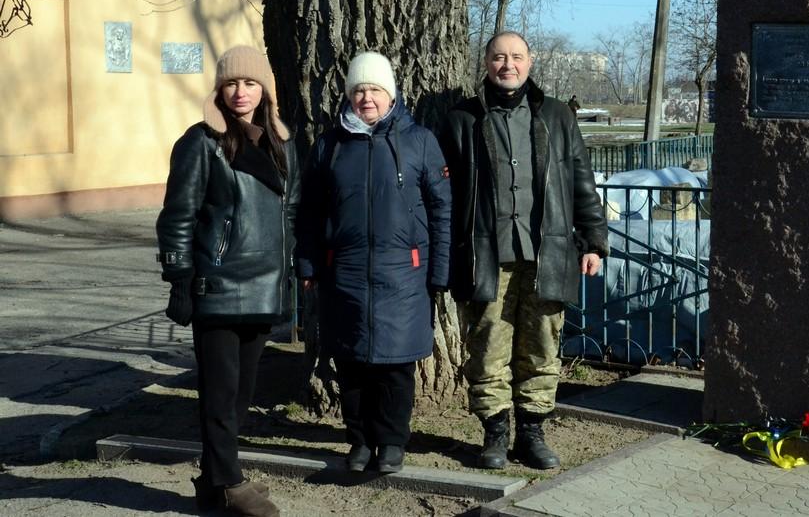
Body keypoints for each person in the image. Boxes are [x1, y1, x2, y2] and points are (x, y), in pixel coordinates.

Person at [441, 31, 608, 470]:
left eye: (516, 57)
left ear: (530, 62)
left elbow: (581, 180)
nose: (507, 65)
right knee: (488, 347)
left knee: (542, 347)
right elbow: (443, 193)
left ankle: (532, 434)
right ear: (486, 63)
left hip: (547, 253)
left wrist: (593, 240)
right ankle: (495, 434)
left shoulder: (556, 115)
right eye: (499, 57)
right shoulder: (462, 119)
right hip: (486, 256)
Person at [156, 45, 298, 517]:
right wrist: (179, 276)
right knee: (219, 394)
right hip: (217, 285)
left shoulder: (281, 142)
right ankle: (231, 484)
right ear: (219, 89)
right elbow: (177, 216)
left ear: (266, 90)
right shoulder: (200, 142)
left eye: (251, 83)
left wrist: (293, 270)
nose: (241, 92)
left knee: (241, 396)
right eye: (232, 83)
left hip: (265, 286)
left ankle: (212, 483)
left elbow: (290, 213)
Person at [296, 52, 450, 474]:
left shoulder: (419, 140)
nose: (367, 98)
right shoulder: (329, 145)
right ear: (348, 95)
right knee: (351, 367)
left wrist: (439, 272)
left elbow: (441, 210)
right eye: (359, 90)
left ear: (391, 95)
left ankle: (393, 442)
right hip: (343, 274)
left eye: (375, 90)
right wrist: (307, 264)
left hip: (404, 276)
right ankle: (360, 441)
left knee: (396, 368)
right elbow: (308, 211)